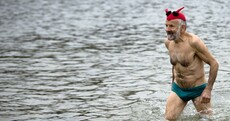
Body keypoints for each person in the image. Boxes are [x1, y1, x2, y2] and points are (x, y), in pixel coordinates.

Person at [164, 7, 219, 120]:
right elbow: (175, 65)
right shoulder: (168, 43)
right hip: (178, 89)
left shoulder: (194, 42)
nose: (167, 29)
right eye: (166, 25)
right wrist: (172, 83)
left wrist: (208, 90)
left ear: (182, 27)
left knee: (207, 119)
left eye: (171, 26)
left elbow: (214, 63)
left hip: (198, 90)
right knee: (169, 118)